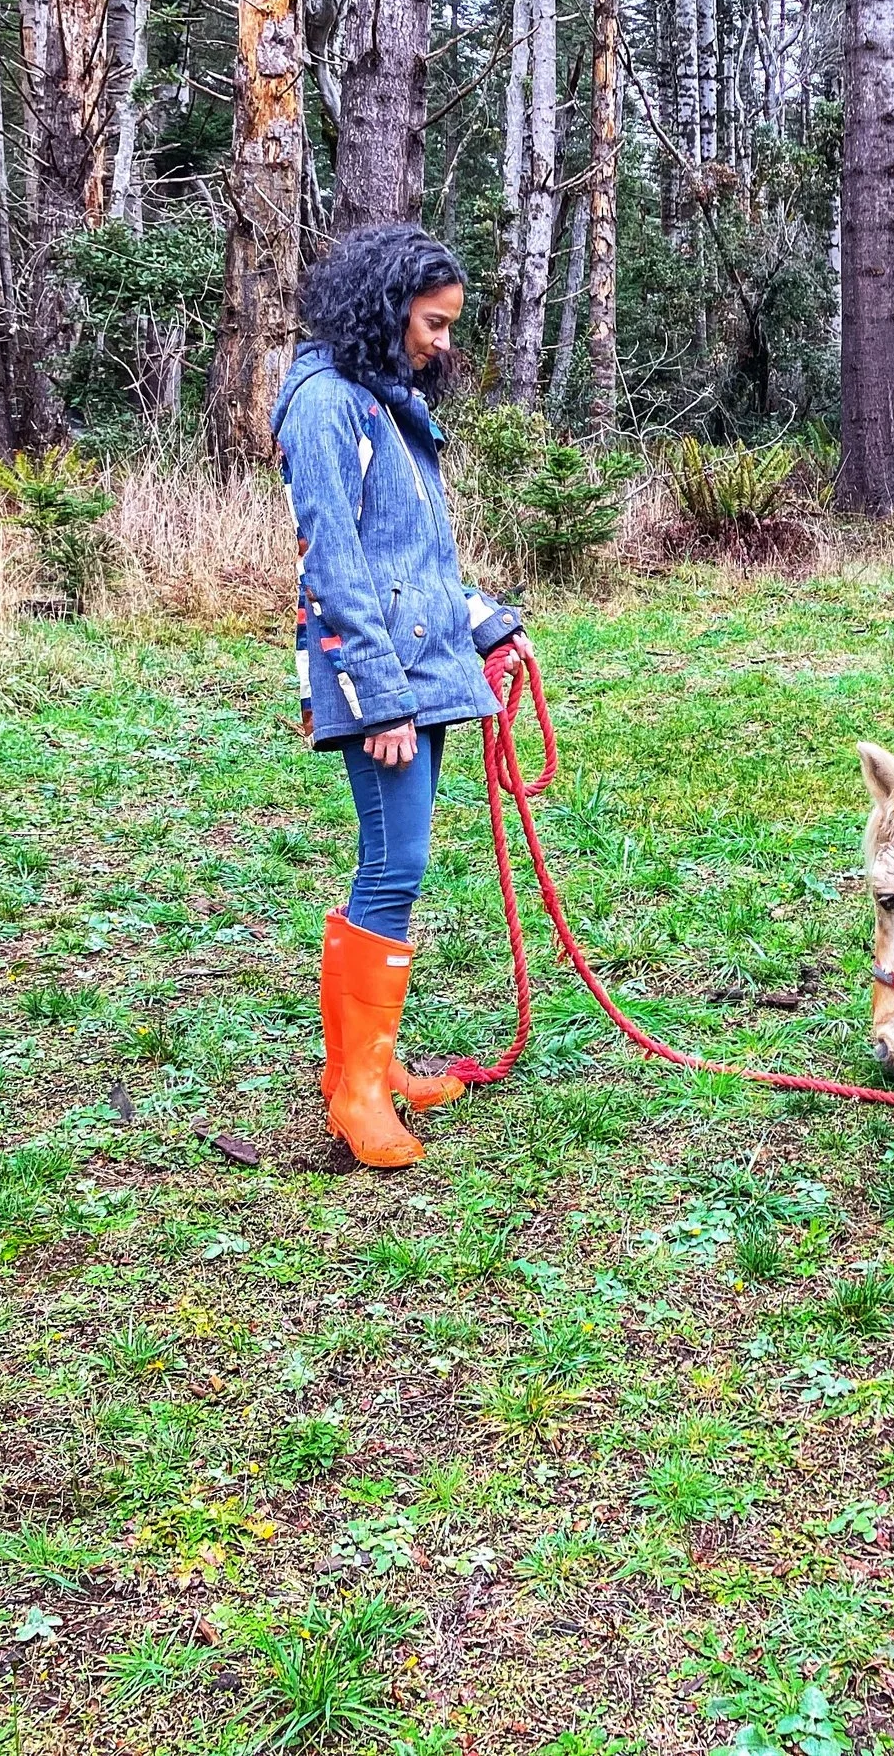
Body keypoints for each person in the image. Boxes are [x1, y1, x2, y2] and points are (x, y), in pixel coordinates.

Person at [270, 223, 530, 1169]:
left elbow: (406, 561)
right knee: (393, 866)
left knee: (396, 863)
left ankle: (370, 1065)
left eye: (451, 325)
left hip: (418, 666)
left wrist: (480, 616)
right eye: (434, 323)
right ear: (387, 312)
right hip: (377, 679)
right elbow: (334, 564)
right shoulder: (326, 409)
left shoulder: (382, 404)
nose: (444, 343)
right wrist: (380, 699)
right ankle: (356, 1093)